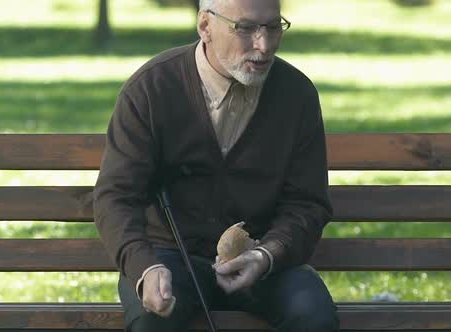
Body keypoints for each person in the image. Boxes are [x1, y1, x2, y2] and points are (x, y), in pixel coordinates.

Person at [93, 0, 339, 331]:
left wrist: (266, 255)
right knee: (152, 320)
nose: (264, 45)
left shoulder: (297, 95)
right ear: (205, 26)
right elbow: (116, 196)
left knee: (313, 314)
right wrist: (144, 268)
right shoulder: (152, 89)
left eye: (273, 27)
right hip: (170, 257)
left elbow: (306, 204)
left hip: (261, 260)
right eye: (246, 28)